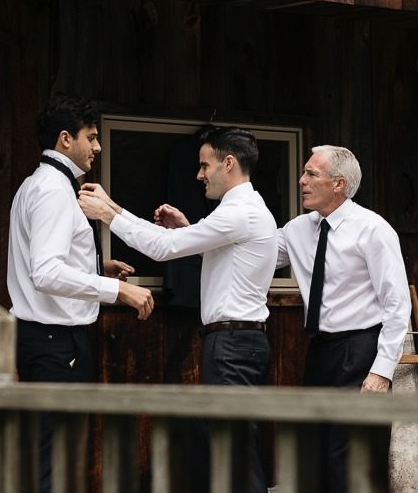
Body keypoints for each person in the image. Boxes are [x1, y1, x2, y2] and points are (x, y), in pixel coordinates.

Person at [80, 126, 278, 493]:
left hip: (234, 344)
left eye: (205, 166)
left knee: (231, 451)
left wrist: (108, 214)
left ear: (229, 163)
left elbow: (162, 248)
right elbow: (222, 252)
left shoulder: (240, 213)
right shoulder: (244, 211)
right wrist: (185, 228)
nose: (199, 174)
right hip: (234, 342)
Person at [8, 94, 154, 490]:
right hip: (57, 343)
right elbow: (46, 272)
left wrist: (95, 267)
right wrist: (117, 290)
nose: (98, 147)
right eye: (90, 137)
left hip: (40, 337)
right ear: (64, 140)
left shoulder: (33, 184)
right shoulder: (55, 191)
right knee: (57, 455)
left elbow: (42, 260)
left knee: (50, 451)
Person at [278, 144, 409, 493]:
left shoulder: (373, 229)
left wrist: (381, 373)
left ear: (338, 184)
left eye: (311, 174)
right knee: (316, 451)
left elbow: (397, 304)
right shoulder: (296, 230)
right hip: (320, 350)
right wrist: (195, 233)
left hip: (360, 348)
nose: (302, 180)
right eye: (304, 172)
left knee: (353, 455)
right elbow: (252, 254)